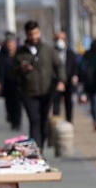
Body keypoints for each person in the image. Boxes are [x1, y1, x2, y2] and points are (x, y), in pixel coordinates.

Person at [14, 21, 66, 150]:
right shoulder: (21, 52)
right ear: (27, 34)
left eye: (36, 33)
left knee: (43, 120)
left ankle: (40, 146)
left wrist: (61, 81)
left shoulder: (47, 50)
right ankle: (36, 150)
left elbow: (59, 65)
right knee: (34, 120)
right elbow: (13, 71)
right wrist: (22, 69)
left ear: (40, 32)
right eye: (31, 34)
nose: (34, 36)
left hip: (46, 91)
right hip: (28, 92)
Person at [0, 34, 23, 130]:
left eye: (12, 44)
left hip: (18, 83)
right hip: (7, 83)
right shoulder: (2, 56)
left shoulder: (20, 54)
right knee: (9, 103)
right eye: (8, 44)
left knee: (18, 103)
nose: (10, 46)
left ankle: (17, 122)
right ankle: (10, 117)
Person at [52, 31, 79, 123]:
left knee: (68, 102)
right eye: (57, 39)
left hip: (68, 81)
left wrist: (75, 76)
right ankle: (56, 122)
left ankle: (69, 121)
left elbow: (75, 66)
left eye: (62, 39)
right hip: (55, 81)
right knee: (56, 102)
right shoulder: (52, 53)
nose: (60, 41)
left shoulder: (71, 53)